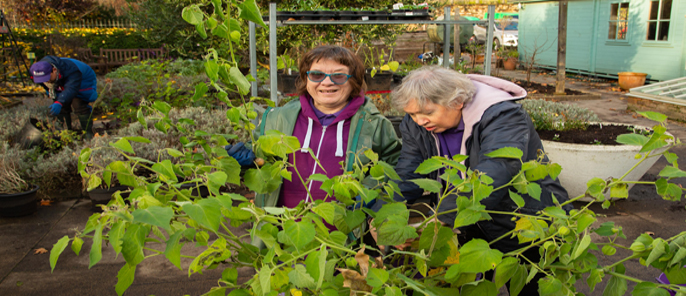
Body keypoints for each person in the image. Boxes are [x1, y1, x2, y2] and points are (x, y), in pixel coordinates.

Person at [379, 66, 571, 294]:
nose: (420, 120)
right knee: (480, 285)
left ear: (457, 101)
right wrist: (386, 214)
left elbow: (496, 172)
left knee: (530, 285)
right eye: (412, 114)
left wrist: (443, 217)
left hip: (523, 221)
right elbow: (409, 172)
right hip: (471, 222)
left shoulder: (502, 116)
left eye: (428, 112)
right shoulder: (416, 124)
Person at [227, 45, 401, 226]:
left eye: (338, 76)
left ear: (353, 81)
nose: (327, 82)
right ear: (306, 79)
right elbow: (260, 162)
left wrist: (366, 195)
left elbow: (393, 164)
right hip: (284, 233)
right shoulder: (277, 119)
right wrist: (244, 160)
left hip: (345, 237)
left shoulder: (373, 125)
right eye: (317, 75)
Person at [30, 56, 98, 139]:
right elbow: (43, 84)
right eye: (43, 79)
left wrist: (59, 102)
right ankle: (66, 133)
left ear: (54, 70)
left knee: (78, 103)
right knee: (61, 106)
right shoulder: (37, 70)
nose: (46, 81)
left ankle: (88, 133)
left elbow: (71, 89)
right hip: (60, 79)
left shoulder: (71, 70)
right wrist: (52, 94)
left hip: (83, 78)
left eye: (47, 78)